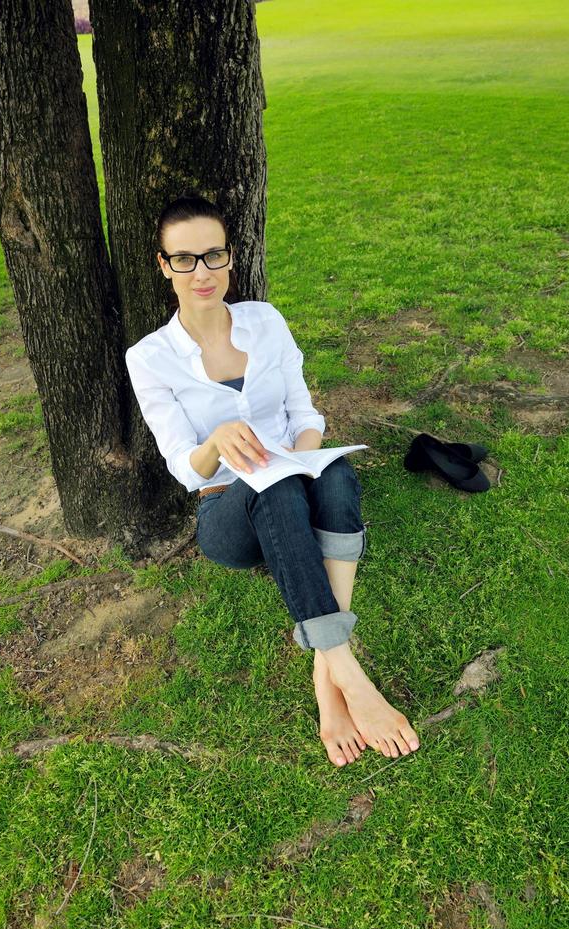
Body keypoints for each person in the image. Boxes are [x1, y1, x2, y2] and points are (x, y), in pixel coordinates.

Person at [125, 194, 420, 767]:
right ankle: (351, 676)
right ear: (164, 266)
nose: (201, 272)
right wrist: (217, 442)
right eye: (184, 259)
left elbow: (307, 416)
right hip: (226, 514)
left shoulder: (265, 321)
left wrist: (300, 457)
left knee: (331, 470)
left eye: (213, 256)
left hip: (294, 477)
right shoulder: (150, 357)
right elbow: (184, 468)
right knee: (271, 485)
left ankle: (325, 668)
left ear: (230, 258)